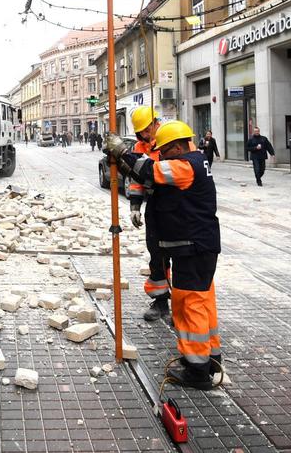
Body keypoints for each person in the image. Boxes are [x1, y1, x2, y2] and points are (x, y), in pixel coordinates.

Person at [105, 120, 222, 390]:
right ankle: (210, 357)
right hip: (200, 245)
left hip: (191, 246)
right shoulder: (196, 160)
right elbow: (146, 175)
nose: (163, 156)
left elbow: (150, 169)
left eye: (165, 151)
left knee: (188, 305)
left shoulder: (184, 165)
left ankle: (196, 370)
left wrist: (122, 151)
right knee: (204, 302)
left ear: (178, 147)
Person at [127, 106, 168, 322]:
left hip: (174, 204)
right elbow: (136, 178)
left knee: (180, 257)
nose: (144, 134)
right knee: (157, 254)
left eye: (146, 129)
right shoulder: (139, 146)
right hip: (154, 205)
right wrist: (135, 206)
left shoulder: (168, 139)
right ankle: (160, 301)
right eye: (140, 131)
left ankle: (182, 305)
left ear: (155, 123)